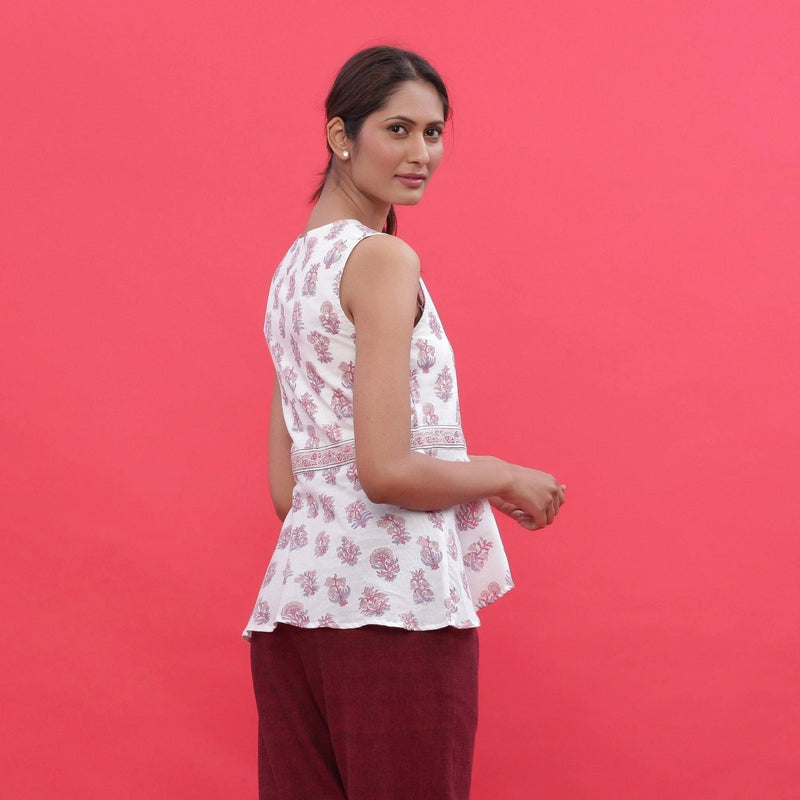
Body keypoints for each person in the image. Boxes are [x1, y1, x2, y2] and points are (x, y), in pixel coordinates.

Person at [244, 45, 566, 800]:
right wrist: (506, 476)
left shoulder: (291, 274)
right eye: (398, 129)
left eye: (434, 132)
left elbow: (289, 491)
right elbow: (384, 471)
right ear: (340, 137)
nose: (422, 153)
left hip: (295, 612)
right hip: (397, 616)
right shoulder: (384, 261)